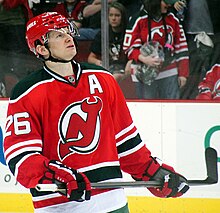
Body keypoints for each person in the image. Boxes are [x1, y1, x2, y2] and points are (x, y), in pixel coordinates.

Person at [3, 12, 189, 212]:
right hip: (60, 206)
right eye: (58, 35)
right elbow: (21, 157)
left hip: (113, 203)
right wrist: (55, 175)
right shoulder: (27, 92)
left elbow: (125, 141)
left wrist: (152, 171)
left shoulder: (102, 79)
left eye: (68, 31)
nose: (68, 38)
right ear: (41, 48)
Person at [123, 0, 189, 99]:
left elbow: (181, 47)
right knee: (148, 110)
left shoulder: (173, 19)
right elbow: (129, 47)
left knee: (171, 109)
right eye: (165, 2)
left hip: (169, 70)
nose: (169, 5)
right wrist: (144, 59)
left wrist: (183, 73)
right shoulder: (138, 19)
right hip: (144, 73)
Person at [87, 2, 128, 82]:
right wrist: (100, 63)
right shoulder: (103, 33)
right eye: (111, 15)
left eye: (117, 15)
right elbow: (91, 58)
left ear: (122, 17)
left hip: (124, 71)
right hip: (108, 69)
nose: (113, 18)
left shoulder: (128, 32)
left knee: (114, 77)